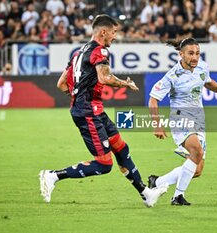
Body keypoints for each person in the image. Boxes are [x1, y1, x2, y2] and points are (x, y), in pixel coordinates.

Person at [39, 14, 167, 207]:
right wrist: (125, 83)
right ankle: (53, 176)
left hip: (92, 109)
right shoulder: (100, 51)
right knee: (104, 164)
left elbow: (61, 84)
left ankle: (146, 193)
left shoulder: (78, 53)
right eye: (114, 32)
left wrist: (78, 95)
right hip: (88, 112)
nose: (115, 37)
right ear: (104, 32)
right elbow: (105, 78)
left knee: (121, 148)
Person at [148, 37, 217, 205]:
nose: (195, 57)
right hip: (180, 118)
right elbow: (153, 99)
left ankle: (158, 182)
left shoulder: (202, 67)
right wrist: (157, 124)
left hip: (198, 120)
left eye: (197, 53)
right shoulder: (172, 75)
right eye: (190, 53)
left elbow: (209, 83)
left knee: (196, 170)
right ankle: (177, 197)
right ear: (181, 54)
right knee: (196, 151)